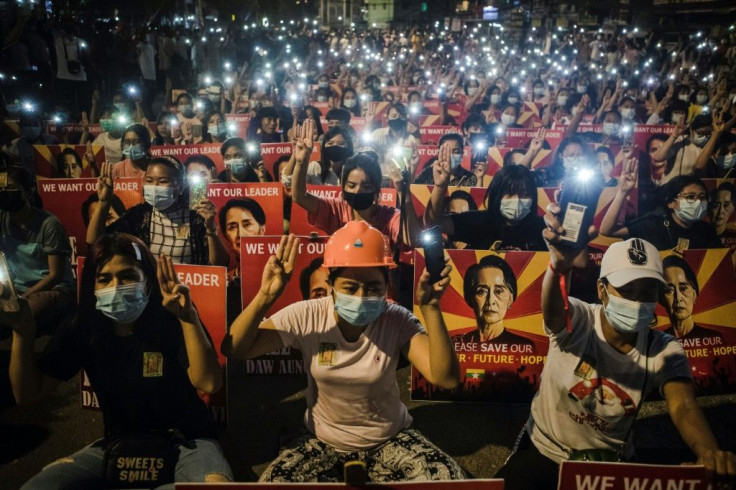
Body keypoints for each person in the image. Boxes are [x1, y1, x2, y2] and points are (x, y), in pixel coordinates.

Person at [222, 223, 465, 482]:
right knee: (275, 482)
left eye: (373, 288)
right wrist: (265, 296)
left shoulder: (395, 319)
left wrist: (431, 309)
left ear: (387, 285)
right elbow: (236, 348)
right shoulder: (308, 314)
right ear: (332, 283)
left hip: (389, 439)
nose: (361, 296)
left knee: (447, 479)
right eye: (350, 288)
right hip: (323, 440)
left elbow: (445, 378)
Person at [495, 233, 736, 489]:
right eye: (627, 290)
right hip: (546, 449)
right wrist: (557, 267)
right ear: (602, 289)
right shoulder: (579, 320)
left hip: (608, 465)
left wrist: (709, 453)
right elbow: (554, 309)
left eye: (647, 292)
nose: (637, 301)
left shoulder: (663, 349)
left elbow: (683, 406)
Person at [4, 233, 232, 487]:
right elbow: (28, 394)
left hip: (188, 441)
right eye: (105, 279)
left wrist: (188, 318)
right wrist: (22, 334)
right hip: (119, 443)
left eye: (128, 276)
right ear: (93, 285)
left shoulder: (172, 315)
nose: (116, 286)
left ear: (147, 280)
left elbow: (209, 383)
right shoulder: (84, 325)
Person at [291, 119, 423, 251]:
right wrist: (301, 162)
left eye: (366, 186)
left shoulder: (389, 216)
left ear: (377, 192)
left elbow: (412, 240)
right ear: (343, 189)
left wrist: (404, 192)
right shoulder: (335, 210)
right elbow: (299, 197)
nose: (358, 190)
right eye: (352, 185)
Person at [87, 158, 229, 267]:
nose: (154, 187)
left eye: (162, 181)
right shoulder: (139, 215)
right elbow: (94, 242)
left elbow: (220, 265)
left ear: (179, 187)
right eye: (149, 180)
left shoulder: (195, 217)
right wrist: (104, 203)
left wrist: (210, 227)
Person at [0, 167, 75, 335]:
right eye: (1, 188)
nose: (4, 193)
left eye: (11, 188)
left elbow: (55, 275)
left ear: (29, 191)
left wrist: (24, 296)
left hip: (53, 290)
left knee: (20, 316)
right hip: (18, 289)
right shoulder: (2, 219)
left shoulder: (49, 225)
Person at [600, 163, 720, 250]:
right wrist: (622, 192)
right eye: (690, 197)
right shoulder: (652, 225)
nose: (698, 202)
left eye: (702, 197)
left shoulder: (707, 231)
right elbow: (607, 230)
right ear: (671, 202)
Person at [426, 164, 546, 251]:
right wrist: (440, 187)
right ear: (497, 195)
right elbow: (434, 223)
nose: (517, 200)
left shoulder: (543, 228)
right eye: (509, 194)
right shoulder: (478, 222)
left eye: (524, 195)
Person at [661, 254, 724, 341]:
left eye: (683, 288)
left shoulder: (713, 338)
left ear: (694, 294)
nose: (678, 298)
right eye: (669, 290)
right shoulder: (658, 341)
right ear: (662, 299)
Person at [708, 182, 736, 246]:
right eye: (716, 206)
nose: (721, 211)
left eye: (726, 205)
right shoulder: (697, 236)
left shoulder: (733, 237)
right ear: (708, 209)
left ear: (732, 209)